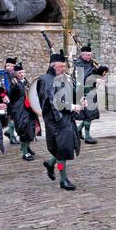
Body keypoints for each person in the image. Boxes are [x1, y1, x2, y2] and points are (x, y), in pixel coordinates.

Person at [38, 50, 83, 191]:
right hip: (55, 120)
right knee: (62, 151)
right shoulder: (46, 80)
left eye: (64, 67)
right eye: (61, 67)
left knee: (63, 148)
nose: (64, 69)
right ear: (52, 66)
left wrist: (79, 99)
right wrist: (72, 107)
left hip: (66, 118)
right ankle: (63, 180)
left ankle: (50, 164)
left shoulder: (63, 78)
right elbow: (54, 101)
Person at [73, 43, 109, 144]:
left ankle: (79, 130)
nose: (90, 56)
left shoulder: (90, 63)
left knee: (91, 114)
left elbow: (94, 72)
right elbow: (81, 79)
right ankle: (87, 136)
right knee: (89, 114)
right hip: (83, 92)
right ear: (82, 55)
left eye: (90, 55)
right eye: (88, 55)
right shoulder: (79, 65)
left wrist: (102, 71)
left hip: (91, 91)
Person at [8, 62, 41, 161]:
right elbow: (12, 98)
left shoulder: (25, 81)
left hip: (30, 109)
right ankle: (25, 152)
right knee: (24, 131)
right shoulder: (14, 84)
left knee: (32, 129)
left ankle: (28, 147)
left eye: (23, 72)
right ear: (15, 74)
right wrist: (13, 111)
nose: (22, 74)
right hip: (20, 110)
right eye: (19, 73)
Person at [1, 57, 20, 145]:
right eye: (7, 65)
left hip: (15, 99)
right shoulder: (4, 75)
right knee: (12, 118)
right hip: (8, 100)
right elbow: (4, 89)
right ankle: (11, 137)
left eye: (10, 66)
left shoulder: (14, 75)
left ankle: (9, 132)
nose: (8, 67)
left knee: (14, 118)